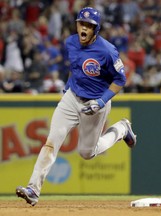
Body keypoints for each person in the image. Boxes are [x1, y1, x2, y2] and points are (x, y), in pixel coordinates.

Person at [16, 7, 137, 206]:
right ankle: (33, 189)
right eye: (82, 23)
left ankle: (122, 129)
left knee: (87, 153)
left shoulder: (107, 50)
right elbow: (76, 69)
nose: (84, 28)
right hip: (72, 98)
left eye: (89, 26)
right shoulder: (71, 42)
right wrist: (67, 88)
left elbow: (120, 79)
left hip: (96, 102)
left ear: (96, 29)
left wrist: (101, 101)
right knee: (51, 141)